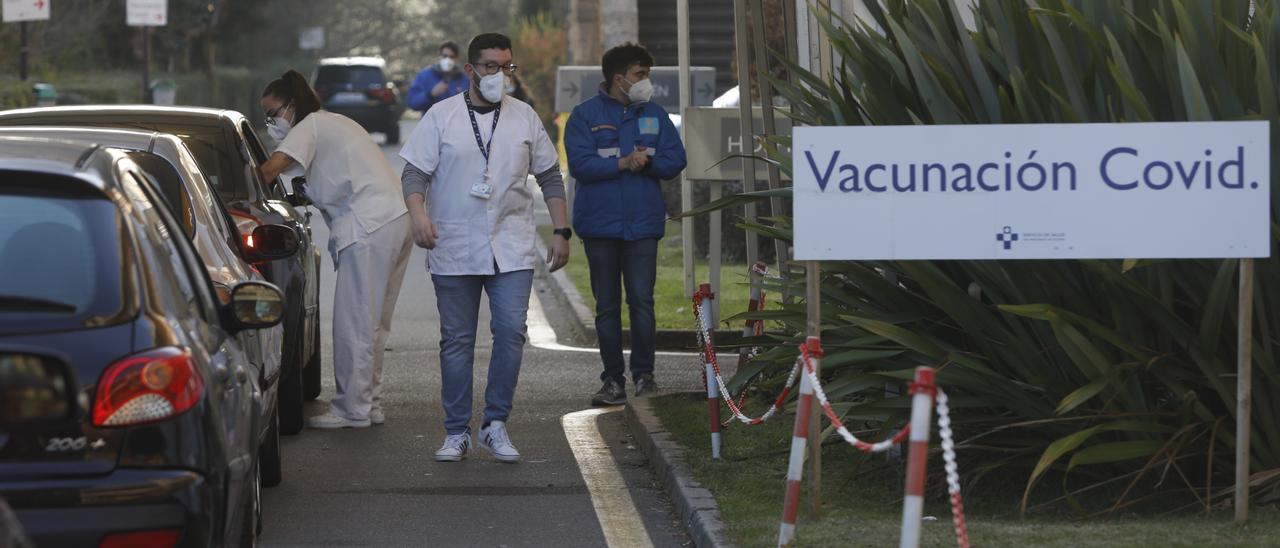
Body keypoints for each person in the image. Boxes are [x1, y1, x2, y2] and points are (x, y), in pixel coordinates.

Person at [399, 32, 570, 463]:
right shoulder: (441, 116)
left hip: (510, 244)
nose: (501, 74)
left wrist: (562, 231)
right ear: (471, 70)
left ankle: (495, 424)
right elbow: (414, 174)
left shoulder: (525, 117)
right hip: (453, 241)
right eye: (492, 66)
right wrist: (418, 216)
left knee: (511, 332)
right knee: (457, 340)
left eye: (508, 66)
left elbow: (550, 176)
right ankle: (456, 430)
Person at [257, 70, 413, 429]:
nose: (271, 122)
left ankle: (351, 409)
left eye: (273, 113)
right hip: (392, 218)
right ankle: (370, 403)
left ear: (291, 106)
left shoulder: (309, 126)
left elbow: (270, 170)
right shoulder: (332, 123)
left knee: (354, 320)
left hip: (369, 224)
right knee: (374, 323)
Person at [564, 43, 687, 406]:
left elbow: (675, 159)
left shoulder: (655, 114)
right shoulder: (584, 115)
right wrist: (621, 163)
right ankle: (613, 381)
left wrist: (647, 164)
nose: (646, 82)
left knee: (642, 302)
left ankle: (645, 376)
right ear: (619, 79)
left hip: (642, 224)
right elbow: (580, 165)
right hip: (600, 226)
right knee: (606, 306)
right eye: (640, 75)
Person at [407, 41, 470, 113]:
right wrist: (431, 94)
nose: (448, 60)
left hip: (456, 123)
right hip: (432, 123)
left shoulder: (464, 79)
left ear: (457, 58)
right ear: (439, 56)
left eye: (451, 57)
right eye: (445, 56)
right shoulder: (425, 76)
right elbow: (412, 103)